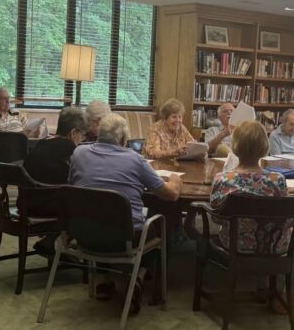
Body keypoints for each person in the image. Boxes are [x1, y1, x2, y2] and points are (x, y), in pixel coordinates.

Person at [68, 113, 182, 312]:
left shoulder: (78, 153)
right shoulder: (135, 159)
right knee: (158, 224)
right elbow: (170, 195)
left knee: (97, 212)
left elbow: (72, 186)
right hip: (125, 239)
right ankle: (135, 280)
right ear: (123, 139)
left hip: (82, 234)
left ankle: (103, 280)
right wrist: (175, 180)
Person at [210, 121, 290, 253]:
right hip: (272, 244)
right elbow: (286, 217)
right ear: (265, 146)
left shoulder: (223, 179)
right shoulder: (278, 180)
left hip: (235, 244)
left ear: (235, 147)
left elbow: (216, 218)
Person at [23, 107, 88, 256]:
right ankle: (59, 243)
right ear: (73, 132)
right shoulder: (69, 148)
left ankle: (53, 241)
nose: (82, 140)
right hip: (49, 207)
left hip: (28, 203)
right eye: (82, 135)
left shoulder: (42, 143)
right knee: (91, 204)